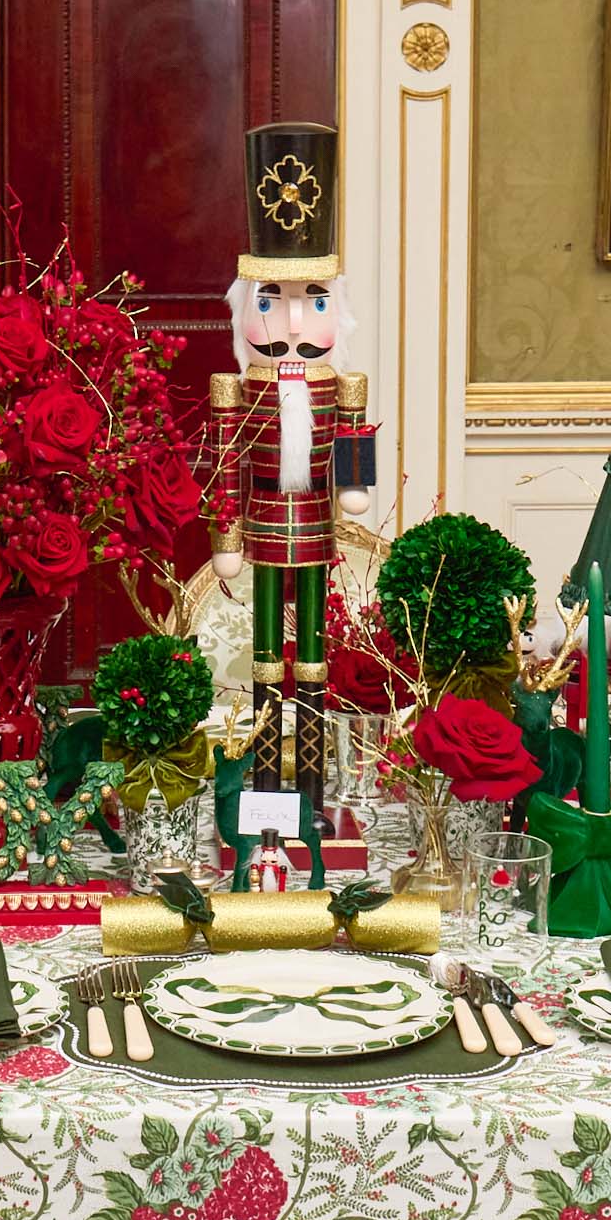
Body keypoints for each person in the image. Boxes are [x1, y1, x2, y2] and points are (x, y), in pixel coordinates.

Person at [204, 123, 374, 819]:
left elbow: (353, 440)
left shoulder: (338, 384)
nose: (293, 321)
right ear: (247, 309)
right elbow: (226, 464)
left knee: (316, 657)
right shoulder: (239, 390)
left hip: (316, 530)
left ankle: (311, 789)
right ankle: (269, 790)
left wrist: (355, 480)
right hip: (266, 525)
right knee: (265, 655)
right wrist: (226, 538)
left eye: (314, 302)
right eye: (272, 301)